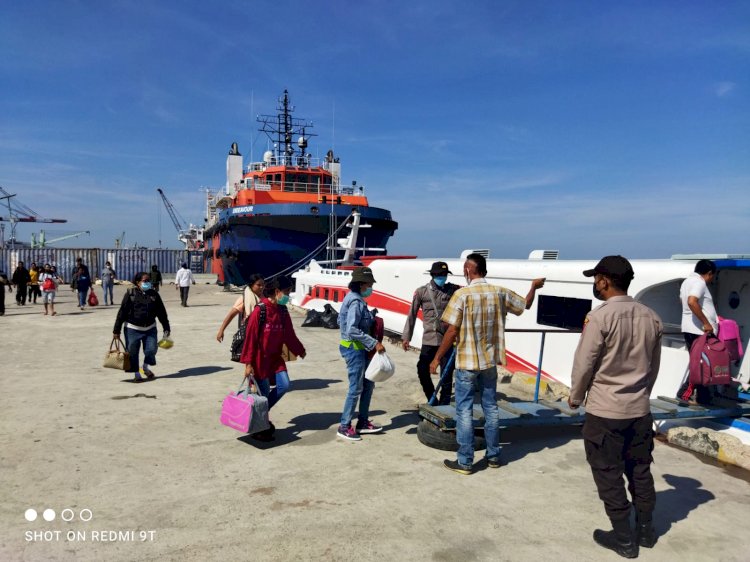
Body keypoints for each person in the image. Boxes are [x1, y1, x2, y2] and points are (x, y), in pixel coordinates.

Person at [568, 255, 662, 558]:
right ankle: (645, 531)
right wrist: (642, 394)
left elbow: (585, 364)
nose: (595, 284)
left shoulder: (600, 317)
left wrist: (575, 396)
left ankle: (623, 540)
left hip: (605, 411)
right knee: (640, 470)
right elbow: (653, 367)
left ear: (604, 281)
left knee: (608, 473)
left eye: (596, 279)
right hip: (639, 409)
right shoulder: (652, 317)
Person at [430, 253, 544, 474]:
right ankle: (493, 456)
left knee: (464, 411)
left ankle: (465, 461)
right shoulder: (499, 292)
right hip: (489, 363)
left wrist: (436, 358)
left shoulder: (461, 295)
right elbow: (525, 305)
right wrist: (534, 287)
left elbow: (451, 330)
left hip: (467, 363)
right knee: (490, 408)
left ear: (467, 270)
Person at [239, 276, 306, 440]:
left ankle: (260, 412)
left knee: (284, 385)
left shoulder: (282, 311)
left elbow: (289, 334)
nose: (288, 295)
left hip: (276, 359)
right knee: (262, 394)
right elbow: (250, 339)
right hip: (259, 361)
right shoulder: (260, 310)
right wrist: (248, 364)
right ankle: (260, 426)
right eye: (287, 292)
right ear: (277, 292)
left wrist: (299, 350)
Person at [337, 266, 387, 441]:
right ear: (361, 284)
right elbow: (351, 329)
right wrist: (374, 343)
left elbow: (340, 320)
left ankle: (363, 422)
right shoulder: (356, 302)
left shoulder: (353, 299)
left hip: (360, 349)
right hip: (354, 350)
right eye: (369, 284)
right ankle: (344, 426)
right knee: (356, 388)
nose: (370, 287)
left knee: (368, 385)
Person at [402, 261, 460, 404]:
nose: (443, 277)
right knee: (422, 370)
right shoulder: (422, 292)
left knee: (447, 374)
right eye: (440, 275)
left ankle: (445, 404)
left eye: (445, 275)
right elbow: (412, 314)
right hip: (429, 339)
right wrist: (406, 337)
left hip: (447, 340)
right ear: (433, 275)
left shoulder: (454, 290)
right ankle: (432, 399)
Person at [113, 272, 171, 382]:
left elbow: (162, 312)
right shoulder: (130, 294)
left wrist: (166, 327)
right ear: (138, 282)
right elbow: (122, 313)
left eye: (149, 281)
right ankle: (137, 374)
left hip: (150, 328)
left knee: (151, 350)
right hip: (132, 329)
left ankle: (144, 367)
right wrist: (116, 330)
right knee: (132, 352)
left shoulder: (154, 294)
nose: (147, 283)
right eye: (145, 281)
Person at [678, 259, 718, 404]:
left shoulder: (686, 282)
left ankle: (704, 397)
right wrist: (706, 322)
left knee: (702, 363)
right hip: (699, 331)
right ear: (709, 273)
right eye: (712, 276)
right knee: (701, 364)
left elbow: (682, 301)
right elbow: (691, 301)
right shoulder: (699, 282)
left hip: (691, 329)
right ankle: (684, 393)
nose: (711, 279)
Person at [216, 274, 264, 343]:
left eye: (263, 285)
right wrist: (221, 330)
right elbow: (231, 315)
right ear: (251, 285)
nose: (261, 287)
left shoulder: (264, 297)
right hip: (249, 332)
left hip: (263, 332)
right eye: (258, 285)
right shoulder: (245, 299)